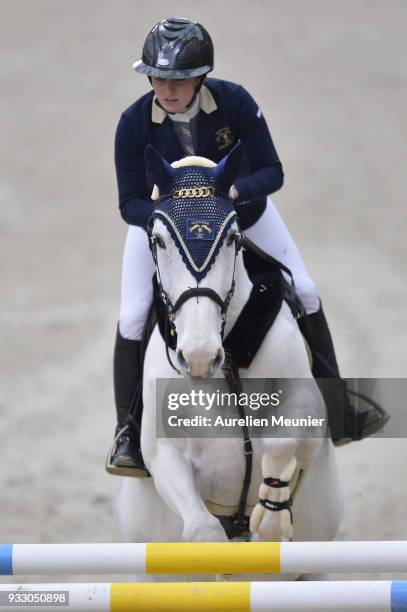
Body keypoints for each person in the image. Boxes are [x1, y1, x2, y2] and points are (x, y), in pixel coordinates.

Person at [106, 17, 388, 477]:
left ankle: (339, 408)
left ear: (201, 77)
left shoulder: (236, 102)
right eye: (158, 77)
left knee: (308, 288)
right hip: (164, 227)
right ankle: (127, 433)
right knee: (133, 315)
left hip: (242, 216)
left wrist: (231, 197)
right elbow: (129, 203)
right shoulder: (133, 122)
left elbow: (272, 172)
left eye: (177, 79)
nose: (167, 88)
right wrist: (171, 216)